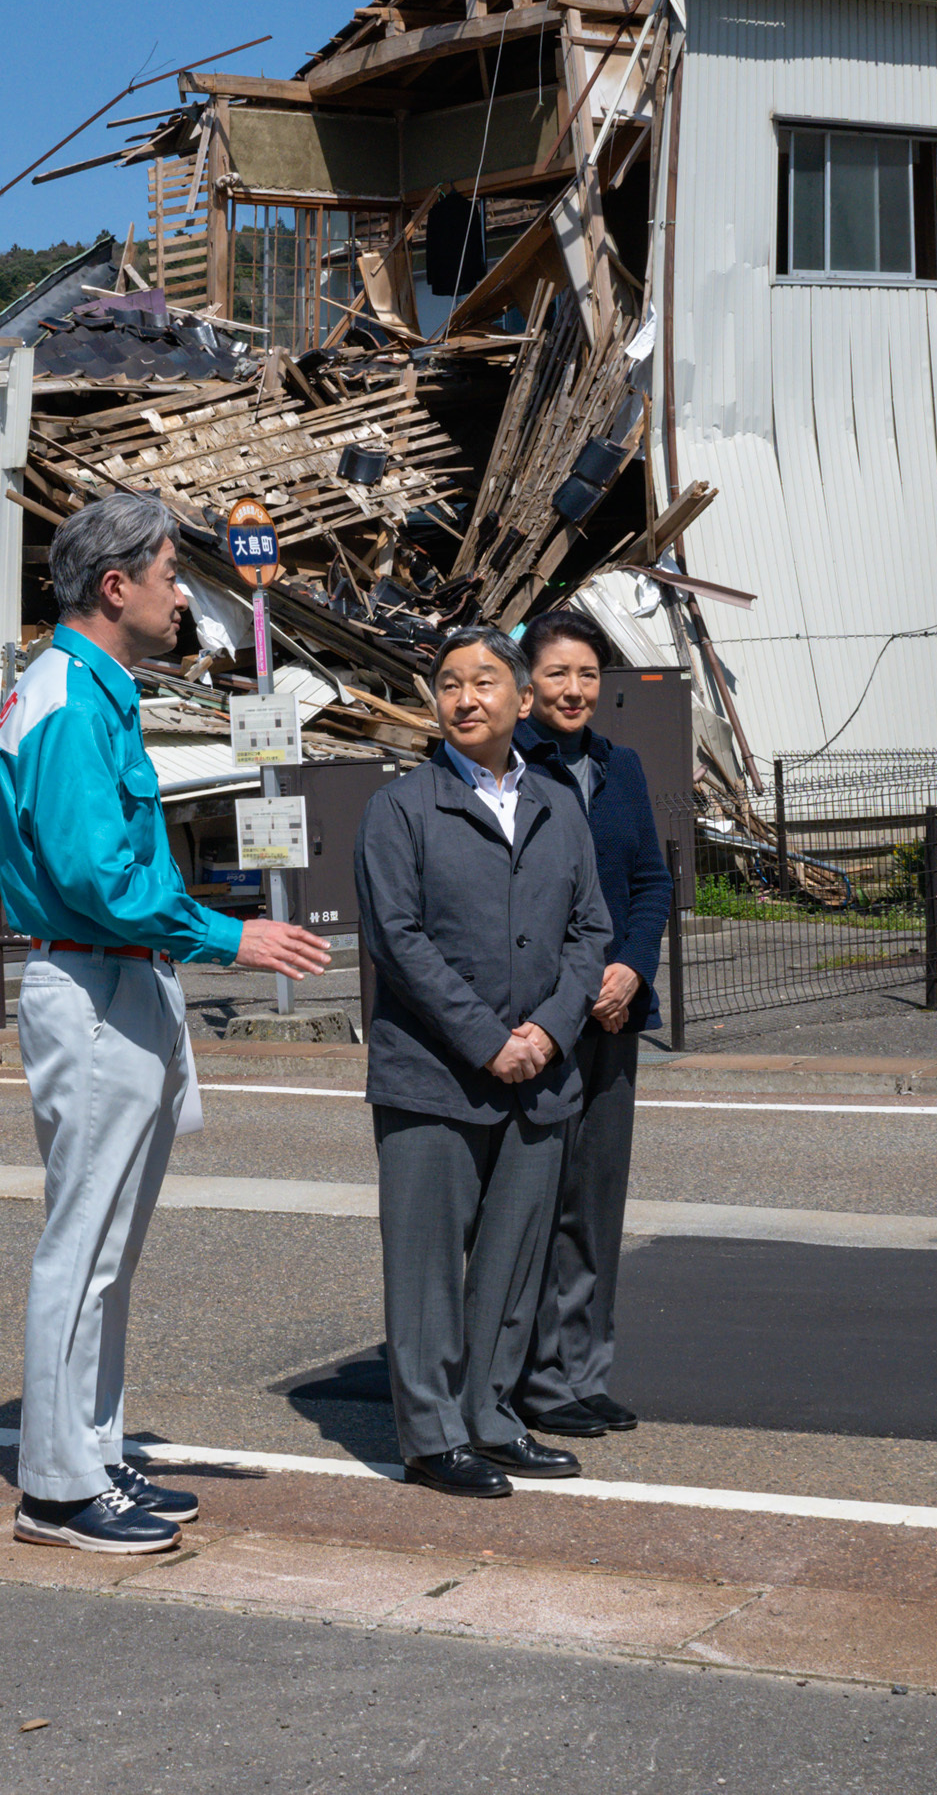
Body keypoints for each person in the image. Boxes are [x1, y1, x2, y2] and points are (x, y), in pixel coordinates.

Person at [0, 493, 332, 1552]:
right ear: (115, 586)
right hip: (90, 977)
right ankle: (55, 1485)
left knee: (105, 1246)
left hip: (114, 977)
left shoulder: (85, 687)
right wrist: (227, 938)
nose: (181, 594)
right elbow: (98, 873)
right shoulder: (67, 696)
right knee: (83, 1241)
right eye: (168, 573)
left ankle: (89, 1452)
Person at [355, 625, 614, 1498]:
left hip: (541, 1069)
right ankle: (431, 1436)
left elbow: (590, 930)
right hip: (432, 1075)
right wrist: (487, 1038)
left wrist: (545, 1030)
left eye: (485, 681)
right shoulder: (400, 807)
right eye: (450, 684)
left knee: (511, 1261)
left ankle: (491, 1418)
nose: (466, 698)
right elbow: (397, 938)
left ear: (521, 700)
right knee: (428, 1265)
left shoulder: (556, 802)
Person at [513, 608, 676, 1442]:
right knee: (536, 1198)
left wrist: (632, 964)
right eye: (557, 673)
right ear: (524, 684)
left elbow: (651, 881)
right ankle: (529, 1375)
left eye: (586, 674)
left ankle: (579, 1371)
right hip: (543, 1020)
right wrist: (573, 990)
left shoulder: (622, 767)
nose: (573, 689)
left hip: (614, 1015)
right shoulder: (508, 773)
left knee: (596, 1202)